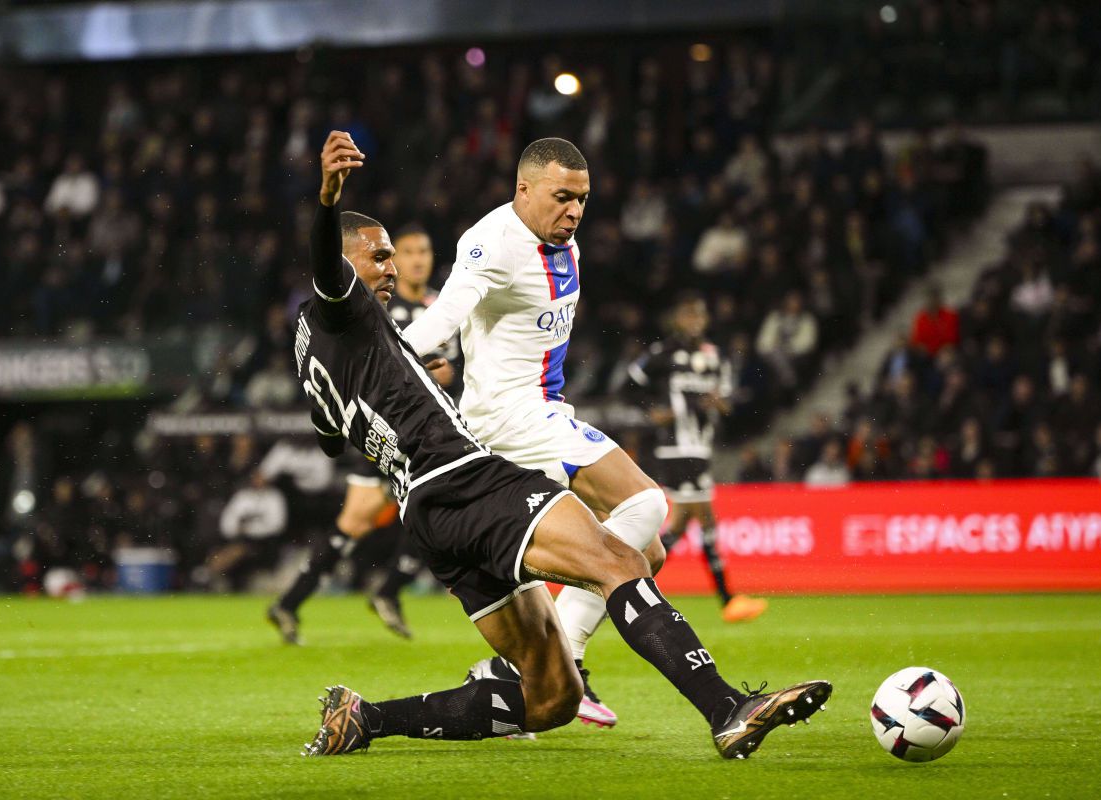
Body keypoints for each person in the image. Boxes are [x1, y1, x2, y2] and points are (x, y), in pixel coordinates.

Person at [296, 131, 830, 759]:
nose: (393, 270)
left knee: (553, 697)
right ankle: (726, 708)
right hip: (468, 477)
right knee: (622, 558)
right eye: (379, 258)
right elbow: (335, 271)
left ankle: (364, 718)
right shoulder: (347, 306)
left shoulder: (314, 347)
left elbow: (330, 437)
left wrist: (403, 379)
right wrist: (328, 199)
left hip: (427, 511)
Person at [402, 137, 672, 728]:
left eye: (582, 199)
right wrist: (384, 362)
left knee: (647, 552)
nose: (574, 211)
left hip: (544, 412)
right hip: (510, 417)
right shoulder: (492, 241)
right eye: (562, 197)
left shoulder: (562, 242)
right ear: (523, 189)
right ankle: (568, 656)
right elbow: (444, 316)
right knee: (645, 503)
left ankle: (520, 668)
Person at [267, 223, 453, 643]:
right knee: (366, 520)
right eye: (407, 252)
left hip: (423, 428)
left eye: (423, 252)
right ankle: (371, 593)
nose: (416, 261)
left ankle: (304, 601)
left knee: (423, 507)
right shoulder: (375, 301)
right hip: (382, 427)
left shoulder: (442, 308)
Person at [628, 293, 768, 623]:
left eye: (700, 315)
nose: (695, 321)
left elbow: (728, 403)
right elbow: (630, 384)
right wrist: (653, 411)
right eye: (689, 315)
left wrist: (720, 404)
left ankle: (628, 584)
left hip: (701, 446)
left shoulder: (714, 356)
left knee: (682, 524)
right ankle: (727, 600)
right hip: (676, 447)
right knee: (704, 518)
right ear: (677, 319)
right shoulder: (663, 354)